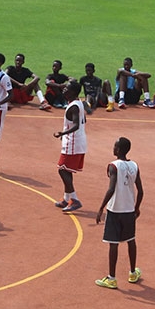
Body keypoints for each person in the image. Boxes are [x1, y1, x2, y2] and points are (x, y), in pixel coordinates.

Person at [95, 137, 143, 289]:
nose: (113, 148)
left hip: (115, 209)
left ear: (119, 150)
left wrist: (101, 207)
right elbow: (141, 191)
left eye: (115, 146)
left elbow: (111, 189)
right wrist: (136, 207)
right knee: (131, 240)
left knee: (113, 243)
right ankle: (133, 272)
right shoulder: (134, 165)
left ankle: (111, 278)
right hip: (129, 210)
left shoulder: (113, 166)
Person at [53, 81, 87, 214]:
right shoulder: (79, 103)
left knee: (62, 169)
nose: (64, 88)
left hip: (73, 143)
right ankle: (66, 199)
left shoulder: (73, 107)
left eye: (67, 88)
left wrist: (63, 133)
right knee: (67, 170)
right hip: (76, 141)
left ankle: (74, 199)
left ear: (73, 92)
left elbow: (77, 125)